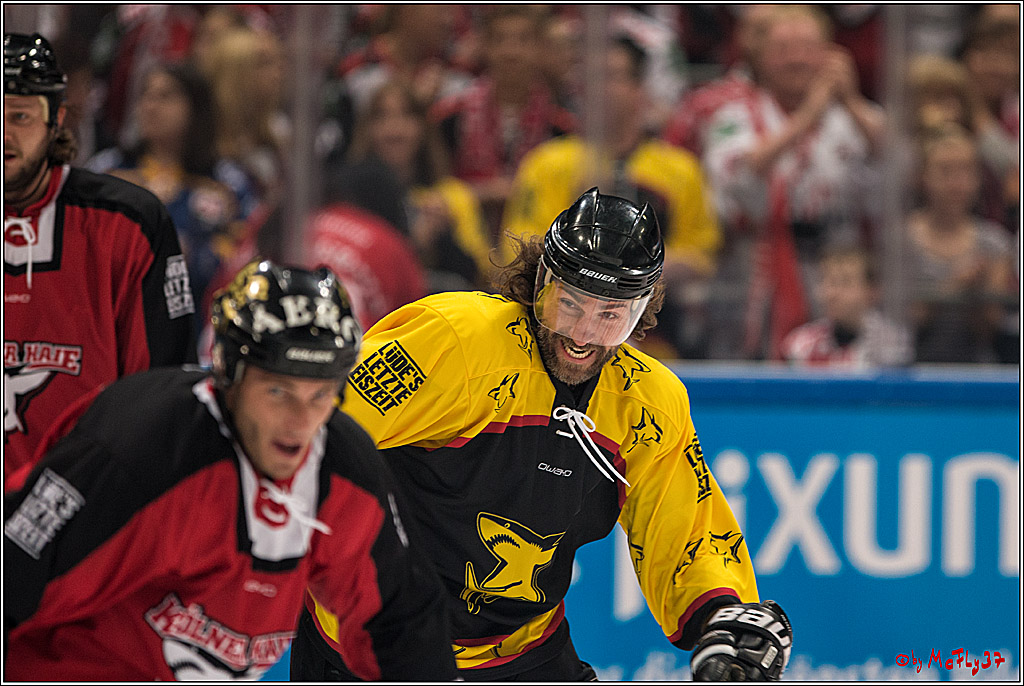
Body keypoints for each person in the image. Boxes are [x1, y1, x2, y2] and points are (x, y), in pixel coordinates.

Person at [292, 188, 792, 681]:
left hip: (523, 655)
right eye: (569, 304)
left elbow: (686, 531)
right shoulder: (457, 340)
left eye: (611, 315)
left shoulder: (648, 403)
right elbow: (318, 431)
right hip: (373, 643)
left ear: (641, 312)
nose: (582, 333)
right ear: (539, 284)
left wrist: (722, 615)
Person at [4, 258, 459, 681]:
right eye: (278, 392)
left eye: (320, 394)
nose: (300, 422)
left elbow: (404, 622)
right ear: (229, 373)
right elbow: (15, 572)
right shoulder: (140, 450)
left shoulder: (343, 468)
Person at [3, 32, 196, 486]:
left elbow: (160, 396)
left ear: (57, 122)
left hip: (83, 508)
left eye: (20, 116)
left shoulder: (128, 223)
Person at [501, 36, 722, 360]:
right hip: (560, 331)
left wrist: (638, 273)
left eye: (613, 77)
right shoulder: (548, 164)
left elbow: (702, 253)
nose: (600, 88)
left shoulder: (679, 169)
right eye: (592, 78)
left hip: (656, 332)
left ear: (639, 89)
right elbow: (519, 245)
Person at [700, 5, 885, 360]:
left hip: (838, 266)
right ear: (759, 56)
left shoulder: (856, 116)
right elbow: (736, 180)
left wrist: (850, 100)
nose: (797, 60)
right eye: (783, 50)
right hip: (757, 270)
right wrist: (808, 116)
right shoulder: (734, 117)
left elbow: (898, 170)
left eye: (808, 48)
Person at [87, 62, 246, 308]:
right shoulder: (107, 171)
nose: (151, 106)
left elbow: (242, 257)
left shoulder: (226, 182)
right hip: (117, 311)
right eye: (146, 96)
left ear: (195, 107)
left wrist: (191, 256)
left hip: (196, 320)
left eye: (166, 97)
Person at [347, 80, 493, 292]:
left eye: (406, 116)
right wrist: (414, 242)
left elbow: (477, 277)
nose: (394, 129)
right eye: (382, 117)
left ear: (423, 127)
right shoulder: (351, 190)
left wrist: (442, 234)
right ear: (368, 128)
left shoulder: (449, 194)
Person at [905, 125, 1016, 364]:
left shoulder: (994, 243)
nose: (957, 183)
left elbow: (989, 332)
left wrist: (978, 292)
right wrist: (954, 287)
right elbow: (898, 323)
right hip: (912, 374)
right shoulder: (901, 239)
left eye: (966, 171)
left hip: (975, 374)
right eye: (945, 172)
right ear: (923, 177)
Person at [781, 245, 912, 368]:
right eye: (827, 281)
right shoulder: (800, 345)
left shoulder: (894, 345)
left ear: (872, 290)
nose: (831, 293)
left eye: (845, 282)